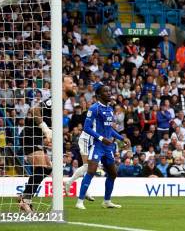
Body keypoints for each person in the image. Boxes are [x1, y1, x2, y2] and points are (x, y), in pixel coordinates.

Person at [19, 76, 77, 212]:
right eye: (70, 82)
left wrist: (49, 136)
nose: (74, 85)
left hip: (36, 138)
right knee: (42, 169)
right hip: (30, 136)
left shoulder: (61, 102)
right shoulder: (55, 100)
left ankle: (25, 199)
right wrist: (45, 128)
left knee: (45, 169)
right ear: (62, 86)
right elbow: (34, 111)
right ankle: (24, 200)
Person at [76, 86, 128, 209]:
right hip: (97, 145)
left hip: (108, 147)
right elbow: (86, 128)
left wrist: (121, 138)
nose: (109, 93)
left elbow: (109, 129)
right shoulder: (94, 108)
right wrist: (101, 138)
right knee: (91, 171)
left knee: (113, 173)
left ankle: (106, 201)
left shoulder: (110, 109)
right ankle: (80, 201)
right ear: (99, 95)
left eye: (109, 91)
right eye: (106, 91)